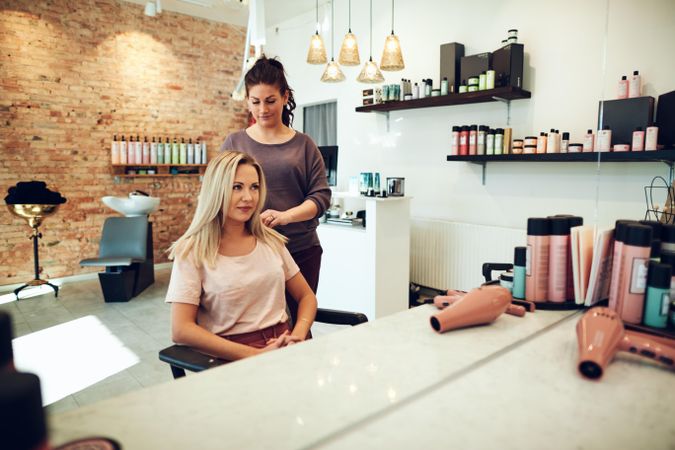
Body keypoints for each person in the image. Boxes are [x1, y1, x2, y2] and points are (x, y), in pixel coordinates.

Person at [166, 151, 317, 360]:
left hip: (283, 346)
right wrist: (255, 354)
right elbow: (181, 330)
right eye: (237, 187)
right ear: (216, 190)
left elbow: (307, 296)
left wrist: (297, 336)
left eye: (254, 187)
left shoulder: (271, 241)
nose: (248, 197)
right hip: (230, 357)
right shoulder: (193, 251)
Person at [222, 56, 331, 329]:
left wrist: (284, 217)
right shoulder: (235, 142)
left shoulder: (304, 145)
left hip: (301, 249)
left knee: (299, 327)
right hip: (249, 254)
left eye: (270, 101)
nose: (262, 109)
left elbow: (320, 197)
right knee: (258, 330)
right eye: (255, 101)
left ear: (285, 97)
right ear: (247, 100)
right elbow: (219, 195)